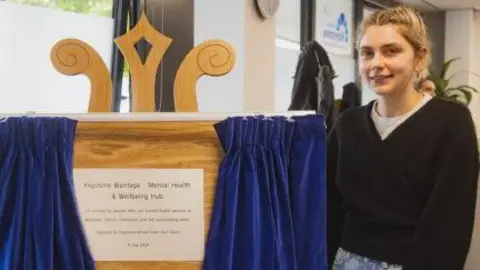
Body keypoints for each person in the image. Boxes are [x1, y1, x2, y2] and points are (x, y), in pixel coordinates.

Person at [327, 6, 479, 270]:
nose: (376, 63)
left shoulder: (451, 122)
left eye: (391, 51)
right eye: (367, 54)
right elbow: (329, 209)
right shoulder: (347, 125)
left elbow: (450, 225)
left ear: (419, 58)